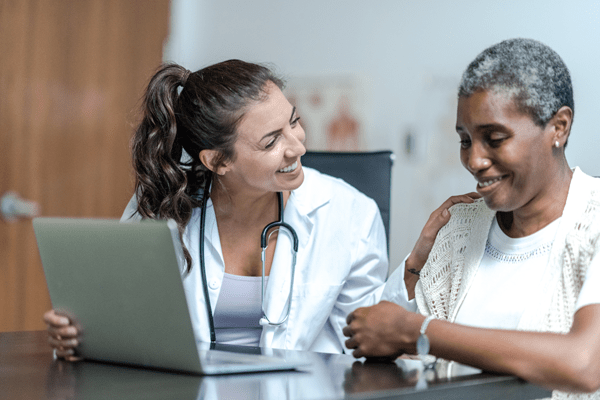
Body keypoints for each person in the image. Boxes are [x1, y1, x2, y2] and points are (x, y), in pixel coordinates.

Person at [44, 59, 388, 358]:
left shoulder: (350, 213)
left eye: (294, 122)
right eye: (271, 141)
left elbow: (367, 345)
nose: (297, 146)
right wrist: (78, 335)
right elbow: (118, 320)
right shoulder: (160, 205)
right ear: (218, 160)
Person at [343, 38, 600, 399]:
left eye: (494, 139)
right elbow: (390, 346)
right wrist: (414, 270)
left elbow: (584, 364)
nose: (474, 161)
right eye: (465, 140)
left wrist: (418, 331)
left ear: (558, 127)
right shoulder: (460, 230)